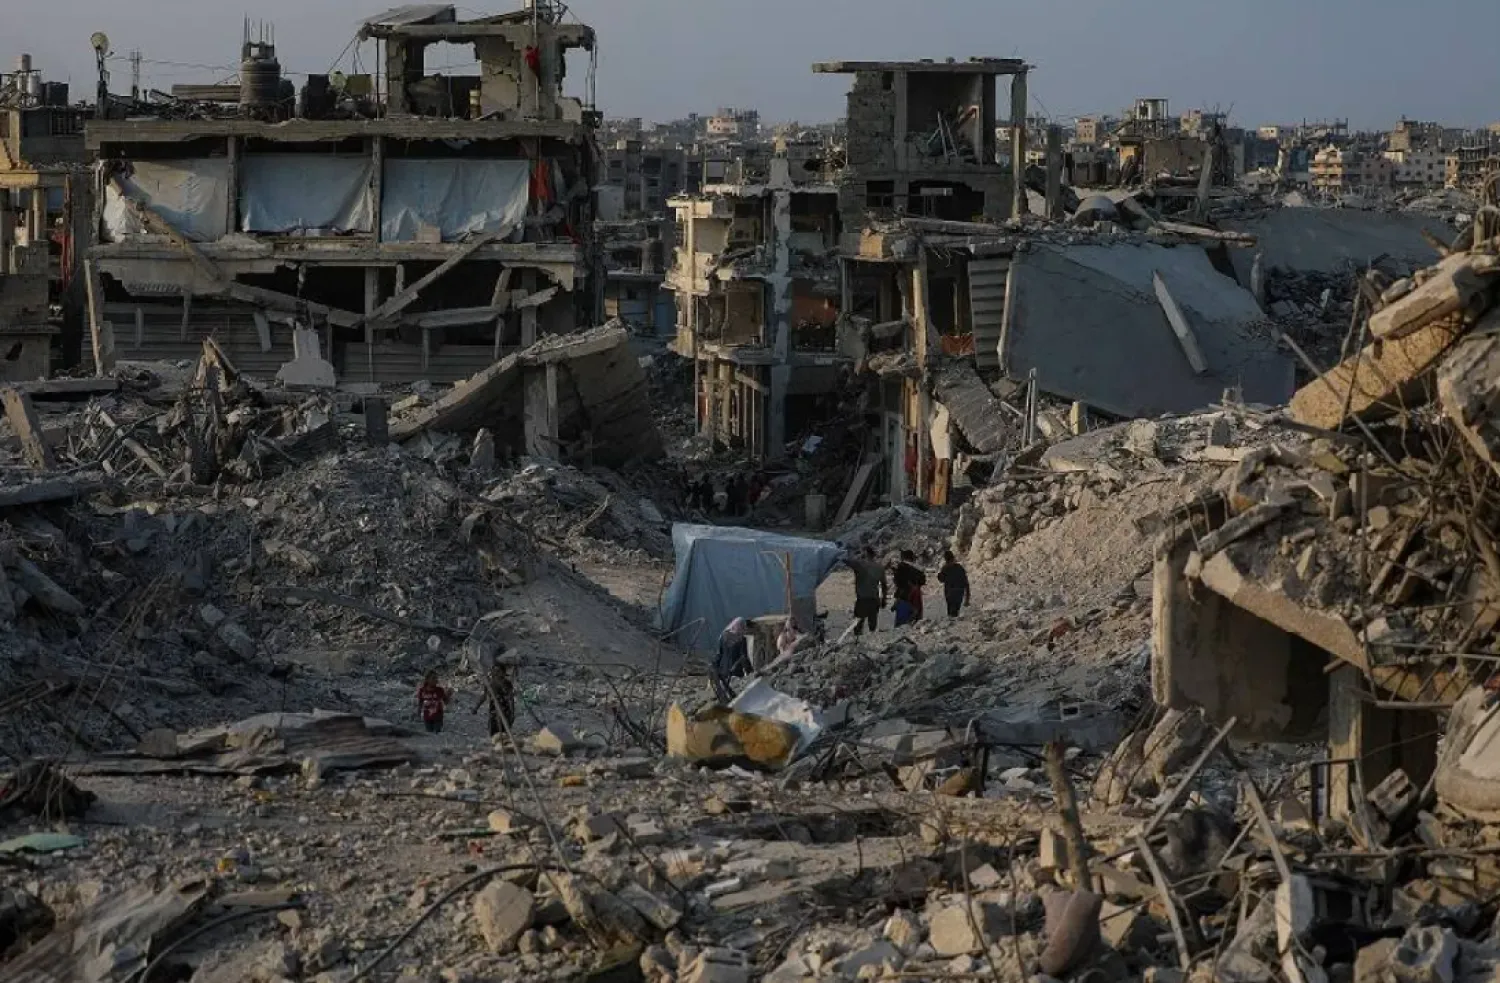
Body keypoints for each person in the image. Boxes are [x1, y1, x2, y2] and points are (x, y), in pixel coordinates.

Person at [473, 653, 517, 741]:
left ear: (503, 673)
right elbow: (484, 696)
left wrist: (512, 714)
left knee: (504, 735)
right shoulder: (490, 684)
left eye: (498, 671)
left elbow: (510, 699)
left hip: (505, 713)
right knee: (494, 735)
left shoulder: (507, 684)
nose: (496, 673)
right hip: (493, 713)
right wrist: (476, 707)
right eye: (494, 671)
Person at [846, 548, 887, 635]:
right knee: (872, 625)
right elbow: (884, 585)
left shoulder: (860, 564)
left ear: (866, 554)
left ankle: (856, 644)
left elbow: (847, 561)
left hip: (862, 600)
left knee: (858, 625)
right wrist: (884, 599)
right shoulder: (879, 567)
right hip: (874, 600)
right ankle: (871, 642)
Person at [715, 618, 751, 703]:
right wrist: (750, 672)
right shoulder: (741, 639)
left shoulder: (723, 636)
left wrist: (715, 669)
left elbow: (719, 655)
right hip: (736, 673)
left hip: (723, 672)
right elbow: (744, 658)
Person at [890, 550, 927, 627]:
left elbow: (898, 582)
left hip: (904, 597)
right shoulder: (918, 569)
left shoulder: (901, 567)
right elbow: (922, 581)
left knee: (901, 626)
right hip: (916, 598)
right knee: (915, 625)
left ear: (903, 557)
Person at [937, 550, 971, 618]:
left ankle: (952, 622)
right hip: (959, 592)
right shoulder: (959, 567)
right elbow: (966, 583)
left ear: (945, 559)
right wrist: (967, 597)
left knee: (951, 611)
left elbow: (941, 579)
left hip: (950, 592)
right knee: (956, 610)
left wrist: (939, 575)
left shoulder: (945, 568)